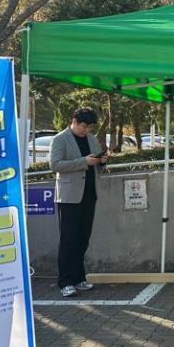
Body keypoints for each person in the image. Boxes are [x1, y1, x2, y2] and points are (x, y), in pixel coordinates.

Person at [50, 108, 108, 298]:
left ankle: (78, 277)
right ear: (74, 121)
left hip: (89, 194)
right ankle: (65, 282)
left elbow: (96, 165)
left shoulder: (92, 139)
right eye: (83, 126)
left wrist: (101, 161)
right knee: (68, 240)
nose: (86, 130)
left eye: (90, 127)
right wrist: (84, 161)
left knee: (83, 238)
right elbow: (55, 165)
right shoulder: (60, 139)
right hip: (69, 197)